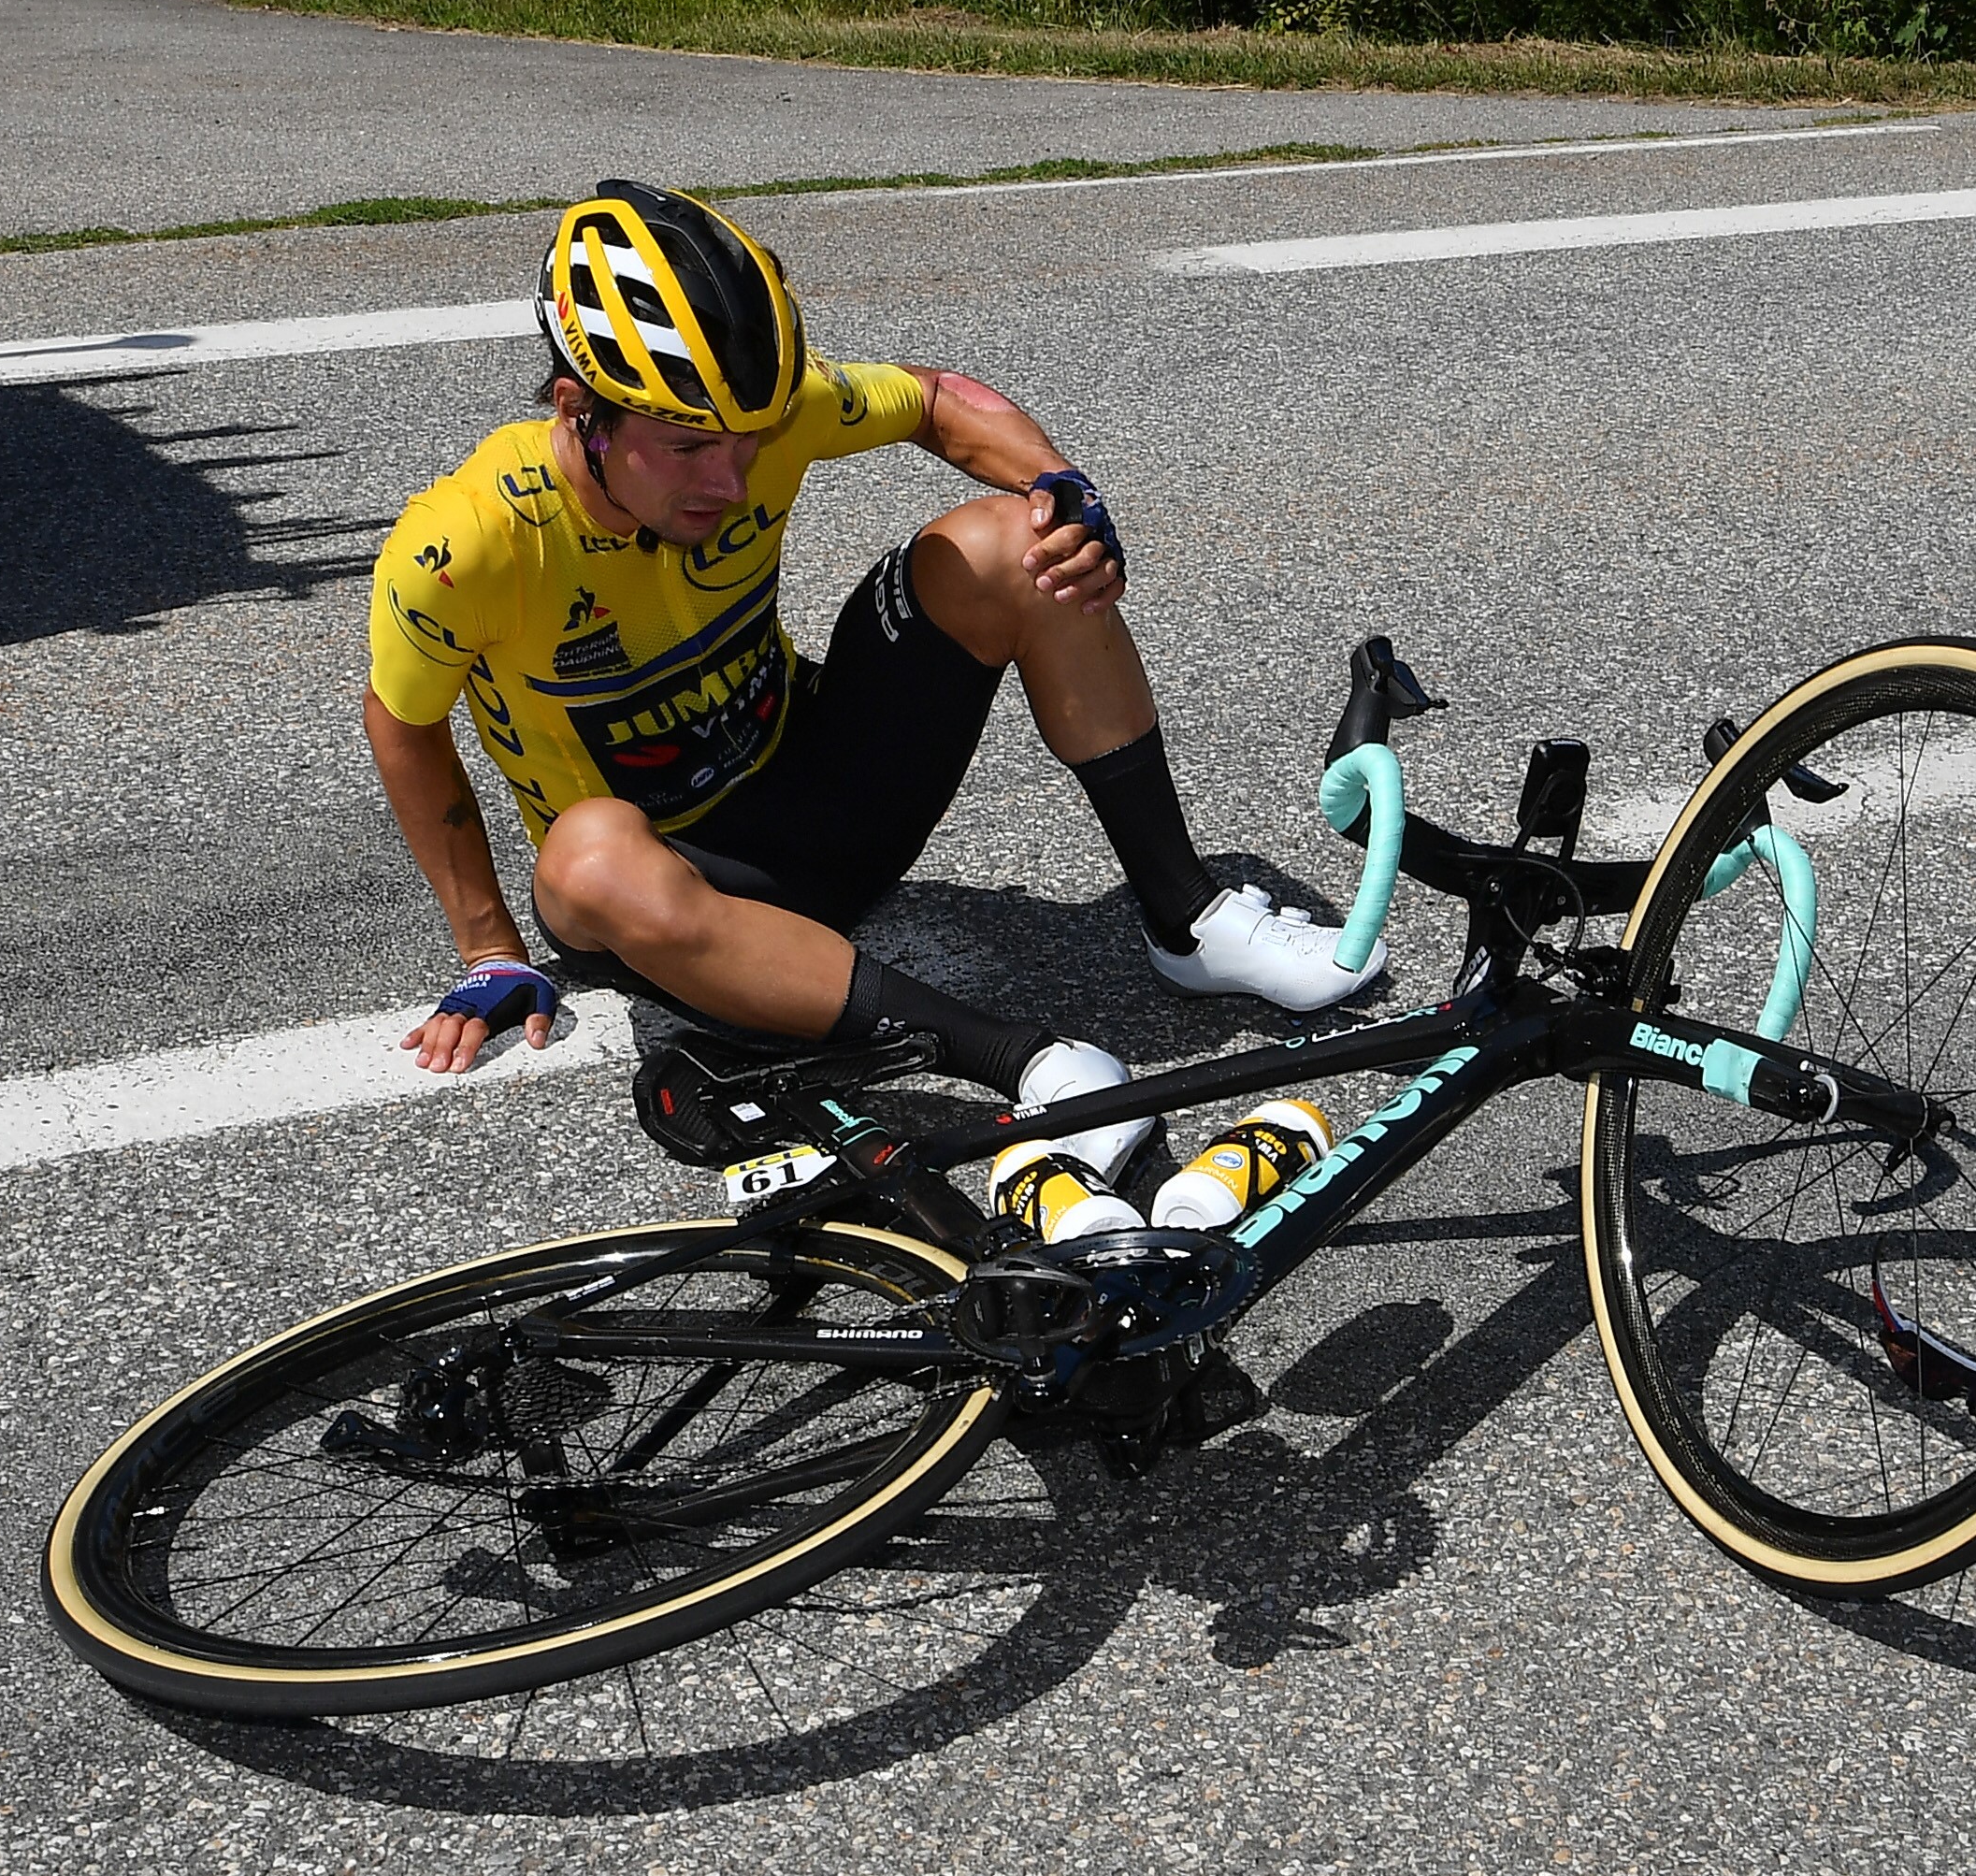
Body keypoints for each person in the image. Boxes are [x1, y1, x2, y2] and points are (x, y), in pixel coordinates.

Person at [364, 180, 1382, 1175]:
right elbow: (401, 722)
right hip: (672, 890)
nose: (728, 481)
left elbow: (935, 399)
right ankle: (1022, 1062)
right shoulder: (468, 541)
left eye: (750, 442)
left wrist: (1061, 485)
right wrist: (489, 947)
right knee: (586, 859)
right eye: (685, 449)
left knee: (1013, 542)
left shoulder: (755, 419)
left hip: (821, 792)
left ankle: (1186, 917)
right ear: (578, 407)